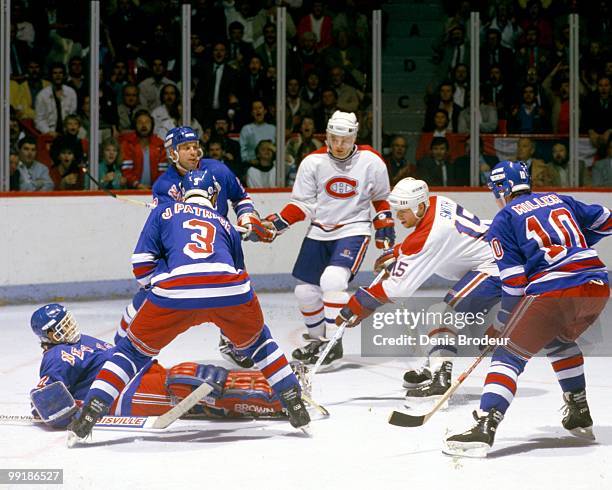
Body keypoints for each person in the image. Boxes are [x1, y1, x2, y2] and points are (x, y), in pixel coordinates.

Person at [66, 170, 310, 444]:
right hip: (231, 289)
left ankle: (89, 413)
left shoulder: (163, 211)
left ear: (181, 193)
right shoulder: (224, 222)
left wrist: (161, 284)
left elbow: (141, 265)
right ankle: (293, 402)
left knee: (130, 352)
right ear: (213, 195)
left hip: (175, 293)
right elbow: (236, 269)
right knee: (260, 345)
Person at [443, 161, 610, 457]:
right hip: (597, 284)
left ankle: (485, 424)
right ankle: (579, 410)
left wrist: (502, 325)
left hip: (555, 289)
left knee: (508, 353)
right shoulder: (561, 199)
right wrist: (579, 245)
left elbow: (515, 282)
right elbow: (607, 221)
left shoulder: (504, 218)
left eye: (495, 190)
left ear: (503, 188)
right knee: (560, 340)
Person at [116, 126, 273, 367]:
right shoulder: (164, 185)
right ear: (172, 154)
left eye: (195, 146)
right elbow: (168, 225)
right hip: (179, 251)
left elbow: (241, 198)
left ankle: (233, 342)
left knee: (232, 293)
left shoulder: (218, 169)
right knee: (149, 293)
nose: (193, 152)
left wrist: (246, 218)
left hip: (219, 245)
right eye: (185, 148)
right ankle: (121, 345)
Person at [335, 177, 502, 399]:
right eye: (396, 210)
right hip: (488, 255)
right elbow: (423, 239)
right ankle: (435, 366)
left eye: (403, 211)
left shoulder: (430, 236)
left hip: (495, 266)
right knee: (439, 316)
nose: (398, 216)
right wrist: (399, 251)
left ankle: (441, 377)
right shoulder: (436, 202)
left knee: (441, 314)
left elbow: (397, 290)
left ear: (420, 206)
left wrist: (361, 303)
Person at [28, 303, 310, 428]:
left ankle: (273, 383)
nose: (68, 329)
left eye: (68, 321)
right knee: (189, 384)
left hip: (142, 374)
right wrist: (59, 409)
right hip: (128, 394)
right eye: (60, 328)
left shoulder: (84, 340)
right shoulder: (55, 357)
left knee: (196, 375)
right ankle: (274, 401)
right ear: (48, 336)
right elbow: (47, 396)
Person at [262, 111, 394, 366]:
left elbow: (380, 197)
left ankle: (333, 342)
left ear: (354, 136)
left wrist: (385, 227)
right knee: (304, 291)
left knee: (332, 280)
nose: (339, 145)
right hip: (319, 231)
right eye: (333, 139)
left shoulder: (371, 160)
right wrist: (278, 223)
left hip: (354, 229)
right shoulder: (313, 162)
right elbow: (301, 205)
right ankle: (318, 341)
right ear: (328, 136)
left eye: (344, 139)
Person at [120, 110, 168, 189]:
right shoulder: (128, 144)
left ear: (152, 125)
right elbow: (127, 171)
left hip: (155, 191)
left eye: (147, 122)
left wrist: (155, 187)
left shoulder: (160, 145)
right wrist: (137, 185)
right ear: (135, 125)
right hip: (132, 191)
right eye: (140, 122)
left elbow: (163, 171)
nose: (144, 125)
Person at [34, 62, 78, 136]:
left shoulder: (71, 92)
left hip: (68, 131)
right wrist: (48, 132)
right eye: (55, 73)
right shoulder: (42, 95)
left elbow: (72, 115)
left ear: (64, 75)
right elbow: (39, 120)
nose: (58, 75)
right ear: (51, 76)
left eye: (60, 73)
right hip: (49, 132)